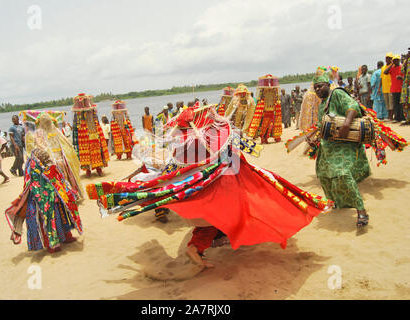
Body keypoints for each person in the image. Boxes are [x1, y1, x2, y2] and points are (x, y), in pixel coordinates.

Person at [86, 105, 333, 268]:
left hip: (194, 188)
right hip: (220, 186)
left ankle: (200, 245)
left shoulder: (182, 141)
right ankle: (202, 246)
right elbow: (233, 158)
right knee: (251, 204)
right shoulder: (210, 138)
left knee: (208, 218)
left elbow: (175, 166)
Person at [309, 72, 370, 228]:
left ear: (328, 85)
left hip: (343, 146)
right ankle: (335, 202)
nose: (317, 90)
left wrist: (346, 124)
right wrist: (314, 138)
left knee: (343, 174)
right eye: (315, 87)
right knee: (323, 174)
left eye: (320, 86)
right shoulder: (322, 104)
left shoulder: (336, 94)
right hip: (328, 147)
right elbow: (322, 126)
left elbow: (353, 106)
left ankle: (361, 210)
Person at [5, 148, 82, 253]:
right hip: (39, 198)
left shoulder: (48, 165)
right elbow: (30, 183)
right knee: (46, 220)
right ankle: (52, 244)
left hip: (54, 194)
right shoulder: (32, 168)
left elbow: (57, 177)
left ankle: (66, 236)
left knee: (61, 216)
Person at [25, 112, 85, 201]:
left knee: (59, 177)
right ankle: (71, 194)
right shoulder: (53, 130)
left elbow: (39, 146)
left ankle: (65, 196)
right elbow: (65, 142)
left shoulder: (41, 132)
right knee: (64, 175)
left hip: (54, 159)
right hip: (59, 158)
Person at [72, 93, 109, 177]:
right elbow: (75, 127)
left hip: (92, 132)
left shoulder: (92, 111)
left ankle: (98, 169)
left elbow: (96, 122)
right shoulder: (78, 114)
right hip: (83, 134)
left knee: (96, 150)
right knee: (86, 152)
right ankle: (88, 170)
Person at [246, 76, 282, 143]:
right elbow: (260, 101)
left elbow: (277, 100)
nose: (270, 88)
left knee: (271, 126)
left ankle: (269, 138)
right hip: (265, 112)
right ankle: (263, 138)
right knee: (264, 126)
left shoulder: (274, 93)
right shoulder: (263, 94)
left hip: (272, 111)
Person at [384, 55, 404, 122]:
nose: (395, 61)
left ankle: (402, 118)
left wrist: (401, 78)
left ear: (399, 60)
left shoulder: (402, 67)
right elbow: (385, 72)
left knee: (401, 104)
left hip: (401, 88)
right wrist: (391, 64)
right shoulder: (392, 68)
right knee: (395, 104)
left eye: (397, 60)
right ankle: (396, 118)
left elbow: (406, 78)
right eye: (394, 60)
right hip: (394, 89)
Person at [381, 52, 394, 121]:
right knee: (387, 104)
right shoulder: (383, 67)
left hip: (391, 87)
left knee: (391, 103)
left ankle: (391, 117)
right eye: (386, 58)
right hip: (384, 88)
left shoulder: (392, 67)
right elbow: (382, 77)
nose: (387, 59)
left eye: (389, 58)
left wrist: (391, 65)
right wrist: (379, 88)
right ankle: (389, 116)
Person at [401, 48, 410, 125]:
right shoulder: (406, 61)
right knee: (405, 103)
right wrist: (406, 60)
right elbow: (402, 71)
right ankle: (407, 119)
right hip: (406, 85)